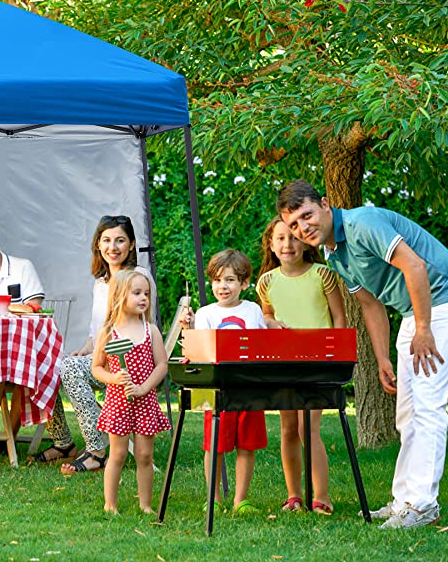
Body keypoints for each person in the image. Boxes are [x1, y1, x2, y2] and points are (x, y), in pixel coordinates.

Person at [277, 179, 448, 529]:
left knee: (428, 406)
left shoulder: (361, 224)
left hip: (444, 303)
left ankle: (424, 506)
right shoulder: (332, 252)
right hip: (413, 313)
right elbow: (369, 303)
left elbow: (413, 266)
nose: (302, 227)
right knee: (407, 413)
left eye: (306, 215)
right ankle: (404, 501)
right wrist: (382, 358)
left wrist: (425, 329)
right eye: (293, 224)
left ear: (324, 204)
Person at [36, 216, 155, 474]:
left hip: (130, 366)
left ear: (132, 244)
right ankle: (63, 442)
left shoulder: (138, 278)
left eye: (120, 240)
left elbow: (146, 325)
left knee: (70, 368)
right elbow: (96, 330)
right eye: (107, 240)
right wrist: (86, 348)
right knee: (47, 368)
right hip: (103, 359)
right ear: (98, 246)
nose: (113, 247)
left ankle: (96, 450)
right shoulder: (100, 283)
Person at [256, 217, 347, 516]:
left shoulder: (323, 275)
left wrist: (339, 359)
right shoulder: (266, 282)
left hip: (318, 363)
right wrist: (269, 321)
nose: (288, 244)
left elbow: (339, 319)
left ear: (305, 241)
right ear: (271, 244)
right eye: (280, 239)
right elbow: (267, 317)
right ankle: (294, 495)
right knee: (288, 428)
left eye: (293, 237)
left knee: (309, 426)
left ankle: (320, 495)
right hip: (283, 363)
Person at [179, 249, 269, 515]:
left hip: (248, 387)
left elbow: (260, 346)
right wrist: (187, 329)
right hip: (216, 390)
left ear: (244, 283)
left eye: (230, 280)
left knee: (247, 446)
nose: (223, 286)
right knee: (214, 445)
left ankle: (241, 499)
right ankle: (214, 498)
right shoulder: (206, 313)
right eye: (217, 280)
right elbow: (196, 350)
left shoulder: (252, 310)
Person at [92, 269, 170, 514]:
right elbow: (97, 368)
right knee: (117, 454)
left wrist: (144, 387)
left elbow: (162, 365)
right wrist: (113, 378)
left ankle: (145, 504)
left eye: (146, 293)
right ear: (118, 296)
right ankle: (110, 503)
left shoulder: (151, 330)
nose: (143, 298)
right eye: (136, 293)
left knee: (145, 455)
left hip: (145, 401)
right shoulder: (108, 332)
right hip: (118, 403)